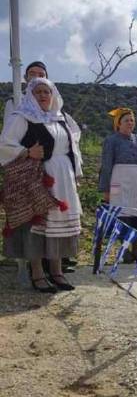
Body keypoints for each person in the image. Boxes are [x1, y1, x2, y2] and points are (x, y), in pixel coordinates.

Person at [0, 78, 82, 292]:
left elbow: (74, 146)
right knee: (37, 224)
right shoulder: (22, 117)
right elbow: (4, 144)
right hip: (37, 178)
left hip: (63, 176)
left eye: (47, 91)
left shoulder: (62, 117)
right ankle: (37, 274)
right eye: (38, 92)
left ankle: (57, 271)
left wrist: (76, 173)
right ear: (31, 95)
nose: (44, 95)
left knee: (59, 223)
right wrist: (27, 152)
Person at [99, 108, 137, 263]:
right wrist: (105, 189)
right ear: (118, 124)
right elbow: (106, 165)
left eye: (132, 120)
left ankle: (136, 249)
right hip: (120, 179)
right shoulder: (111, 141)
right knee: (123, 214)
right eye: (126, 120)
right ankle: (124, 249)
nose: (130, 123)